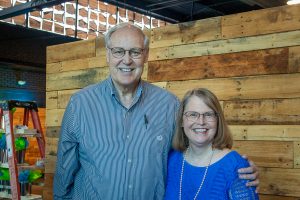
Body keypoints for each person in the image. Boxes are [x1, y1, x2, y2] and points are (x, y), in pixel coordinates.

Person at [53, 22, 259, 200]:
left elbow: (196, 152)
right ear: (108, 55)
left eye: (135, 52)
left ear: (146, 56)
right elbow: (64, 173)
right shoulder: (80, 104)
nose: (127, 60)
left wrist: (237, 169)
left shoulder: (169, 105)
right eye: (118, 51)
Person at [164, 88, 259, 200]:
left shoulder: (236, 166)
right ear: (181, 121)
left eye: (208, 114)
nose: (201, 121)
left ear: (218, 120)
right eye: (193, 114)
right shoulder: (170, 159)